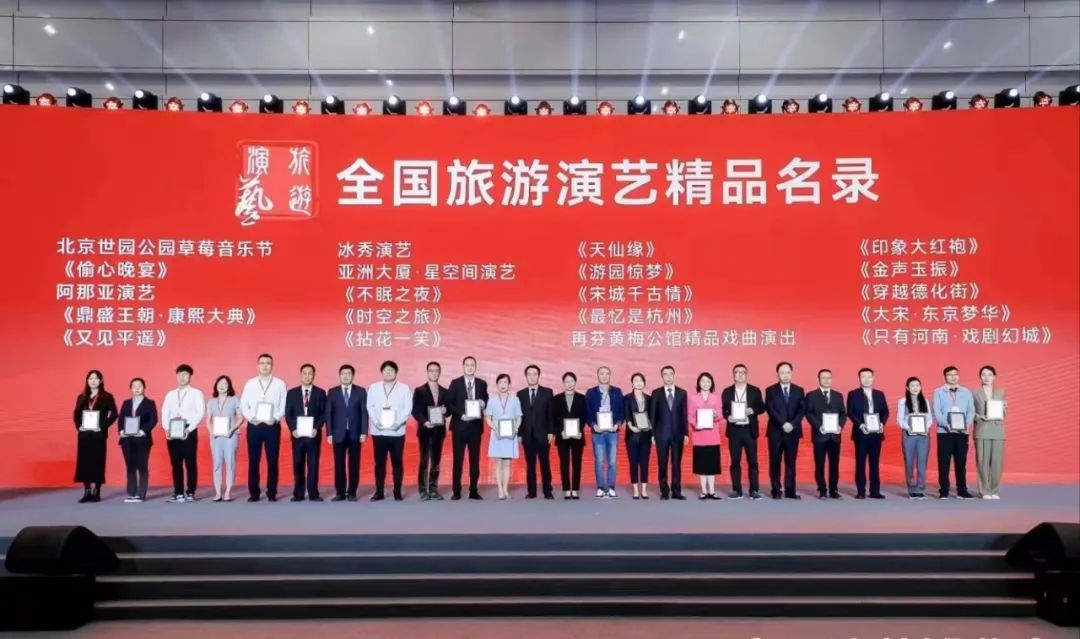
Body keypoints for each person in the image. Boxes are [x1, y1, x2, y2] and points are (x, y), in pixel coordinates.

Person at [240, 353, 287, 502]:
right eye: (262, 363)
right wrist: (251, 418)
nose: (265, 366)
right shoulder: (250, 383)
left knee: (272, 460)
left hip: (272, 426)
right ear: (257, 366)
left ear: (272, 366)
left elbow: (284, 404)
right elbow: (243, 404)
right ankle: (254, 493)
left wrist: (275, 418)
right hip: (254, 425)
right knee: (254, 460)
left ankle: (271, 492)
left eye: (268, 363)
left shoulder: (280, 383)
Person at [366, 360, 412, 501]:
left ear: (396, 372)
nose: (388, 373)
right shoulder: (374, 387)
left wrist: (398, 423)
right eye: (385, 370)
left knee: (397, 462)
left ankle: (397, 491)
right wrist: (376, 422)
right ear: (381, 372)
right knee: (379, 463)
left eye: (391, 370)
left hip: (397, 432)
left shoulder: (404, 388)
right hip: (379, 431)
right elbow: (370, 406)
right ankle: (379, 492)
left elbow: (408, 408)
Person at [721, 364, 766, 500]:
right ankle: (737, 490)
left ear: (746, 374)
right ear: (733, 375)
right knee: (735, 461)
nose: (740, 374)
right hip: (734, 431)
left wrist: (753, 410)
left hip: (749, 430)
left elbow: (762, 407)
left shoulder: (755, 390)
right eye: (737, 372)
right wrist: (727, 416)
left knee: (753, 461)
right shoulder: (727, 391)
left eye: (742, 372)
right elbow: (724, 409)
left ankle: (754, 490)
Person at [161, 364, 205, 503]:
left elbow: (200, 412)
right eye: (180, 374)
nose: (182, 377)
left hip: (188, 429)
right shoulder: (170, 394)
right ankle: (178, 492)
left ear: (190, 377)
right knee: (176, 463)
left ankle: (191, 492)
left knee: (190, 462)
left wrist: (189, 429)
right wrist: (166, 428)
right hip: (173, 429)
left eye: (185, 374)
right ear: (176, 376)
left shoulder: (196, 393)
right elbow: (164, 412)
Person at [446, 356, 489, 500]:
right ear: (463, 367)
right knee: (458, 460)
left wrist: (483, 403)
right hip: (459, 426)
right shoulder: (455, 383)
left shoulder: (482, 383)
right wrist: (461, 415)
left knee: (474, 460)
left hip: (475, 427)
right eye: (467, 365)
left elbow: (486, 399)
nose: (470, 367)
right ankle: (456, 492)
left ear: (475, 367)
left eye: (472, 365)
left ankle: (473, 491)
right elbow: (449, 403)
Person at [72, 370, 118, 503]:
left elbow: (114, 414)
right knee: (84, 462)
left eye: (96, 378)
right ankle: (87, 490)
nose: (93, 381)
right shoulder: (82, 397)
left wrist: (102, 426)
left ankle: (96, 490)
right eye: (90, 378)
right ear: (87, 381)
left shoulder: (107, 396)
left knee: (98, 462)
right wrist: (79, 426)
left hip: (99, 434)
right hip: (85, 434)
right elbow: (76, 414)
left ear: (101, 380)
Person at [285, 364, 327, 502]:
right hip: (297, 436)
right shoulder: (292, 393)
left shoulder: (320, 393)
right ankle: (298, 493)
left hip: (313, 435)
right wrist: (293, 429)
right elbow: (288, 414)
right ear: (301, 375)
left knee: (313, 465)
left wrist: (317, 428)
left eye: (310, 373)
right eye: (305, 373)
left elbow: (323, 414)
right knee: (298, 464)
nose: (307, 376)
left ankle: (313, 493)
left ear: (314, 375)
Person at [932, 366, 976, 499]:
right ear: (945, 377)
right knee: (944, 462)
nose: (953, 377)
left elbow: (971, 411)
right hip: (944, 433)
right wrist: (946, 425)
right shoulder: (938, 392)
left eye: (955, 374)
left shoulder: (966, 392)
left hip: (962, 433)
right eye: (950, 375)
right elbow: (936, 412)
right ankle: (943, 491)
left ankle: (962, 491)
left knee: (961, 462)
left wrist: (966, 424)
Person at [846, 368, 889, 499]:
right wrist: (860, 425)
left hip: (876, 434)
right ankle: (860, 491)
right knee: (860, 463)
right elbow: (850, 412)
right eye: (863, 377)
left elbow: (885, 412)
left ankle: (875, 491)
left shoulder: (879, 394)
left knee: (874, 464)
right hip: (861, 433)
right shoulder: (853, 394)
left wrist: (882, 423)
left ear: (873, 378)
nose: (866, 379)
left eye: (869, 377)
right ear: (859, 378)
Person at [326, 364, 366, 501]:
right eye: (343, 374)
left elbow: (363, 412)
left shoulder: (360, 391)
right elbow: (328, 413)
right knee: (339, 464)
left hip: (355, 433)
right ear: (339, 375)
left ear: (352, 376)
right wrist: (329, 433)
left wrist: (363, 432)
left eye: (349, 374)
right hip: (338, 433)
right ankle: (340, 492)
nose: (346, 376)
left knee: (354, 464)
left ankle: (352, 492)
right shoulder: (333, 392)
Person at [765, 362, 805, 499]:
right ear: (777, 374)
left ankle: (790, 490)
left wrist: (792, 424)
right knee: (775, 461)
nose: (785, 375)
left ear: (791, 373)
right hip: (776, 431)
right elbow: (770, 409)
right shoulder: (770, 390)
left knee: (791, 462)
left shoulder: (799, 390)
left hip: (793, 432)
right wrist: (783, 424)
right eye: (782, 372)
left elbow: (802, 410)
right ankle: (776, 490)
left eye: (787, 372)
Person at [805, 369, 846, 499]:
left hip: (835, 436)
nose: (826, 380)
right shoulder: (811, 395)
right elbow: (808, 413)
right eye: (823, 378)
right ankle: (822, 490)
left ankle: (834, 490)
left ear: (832, 379)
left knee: (834, 465)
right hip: (820, 436)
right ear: (818, 379)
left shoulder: (838, 395)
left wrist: (840, 426)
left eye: (829, 378)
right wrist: (819, 426)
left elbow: (843, 414)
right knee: (820, 464)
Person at [649, 365, 689, 500]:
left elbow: (684, 414)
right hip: (661, 434)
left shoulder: (682, 393)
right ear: (662, 376)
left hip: (678, 434)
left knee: (676, 463)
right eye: (665, 374)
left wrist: (686, 433)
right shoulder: (656, 393)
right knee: (662, 463)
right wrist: (652, 434)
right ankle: (664, 491)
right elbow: (652, 415)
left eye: (670, 374)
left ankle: (676, 491)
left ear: (674, 375)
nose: (668, 377)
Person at [585, 366, 625, 499]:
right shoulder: (591, 392)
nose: (604, 376)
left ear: (610, 375)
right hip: (598, 433)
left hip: (613, 432)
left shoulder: (617, 391)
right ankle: (601, 488)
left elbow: (622, 411)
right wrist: (593, 425)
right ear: (598, 376)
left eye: (607, 373)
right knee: (599, 461)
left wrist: (617, 424)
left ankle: (611, 487)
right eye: (601, 373)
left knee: (612, 462)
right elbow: (587, 412)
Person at [517, 364, 555, 499]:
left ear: (538, 376)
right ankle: (531, 492)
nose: (532, 377)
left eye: (535, 374)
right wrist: (519, 434)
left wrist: (551, 432)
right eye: (529, 374)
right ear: (526, 376)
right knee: (530, 465)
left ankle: (547, 491)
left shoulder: (547, 392)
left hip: (543, 434)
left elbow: (551, 414)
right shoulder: (520, 394)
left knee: (545, 464)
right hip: (527, 435)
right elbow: (519, 416)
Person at [412, 361, 449, 501]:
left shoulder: (445, 391)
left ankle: (433, 489)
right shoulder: (419, 390)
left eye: (436, 370)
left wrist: (446, 411)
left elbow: (448, 410)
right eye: (431, 370)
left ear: (440, 372)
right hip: (425, 431)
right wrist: (424, 422)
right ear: (427, 372)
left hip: (439, 431)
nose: (434, 373)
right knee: (424, 460)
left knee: (436, 462)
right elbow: (416, 410)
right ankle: (423, 490)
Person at [118, 377, 157, 503]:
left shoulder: (150, 403)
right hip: (127, 440)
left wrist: (143, 431)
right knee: (130, 466)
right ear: (131, 388)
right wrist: (121, 431)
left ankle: (141, 494)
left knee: (142, 466)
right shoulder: (126, 403)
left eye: (139, 386)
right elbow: (121, 419)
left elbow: (153, 420)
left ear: (144, 388)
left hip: (142, 439)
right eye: (134, 386)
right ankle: (132, 493)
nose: (137, 388)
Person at [485, 373, 522, 500]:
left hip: (510, 435)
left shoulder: (515, 399)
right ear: (497, 385)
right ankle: (500, 489)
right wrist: (494, 428)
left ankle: (505, 489)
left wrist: (515, 429)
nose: (503, 385)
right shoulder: (492, 400)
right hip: (497, 435)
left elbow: (519, 417)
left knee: (507, 464)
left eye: (505, 382)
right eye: (500, 382)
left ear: (509, 384)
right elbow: (488, 418)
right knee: (498, 463)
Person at [206, 375, 242, 502]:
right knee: (217, 464)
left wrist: (232, 429)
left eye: (225, 384)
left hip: (230, 436)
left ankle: (227, 492)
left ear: (229, 386)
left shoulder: (234, 400)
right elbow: (208, 420)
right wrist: (212, 432)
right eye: (219, 383)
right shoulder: (211, 402)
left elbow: (240, 417)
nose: (222, 386)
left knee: (230, 463)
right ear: (216, 386)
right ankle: (217, 492)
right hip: (215, 437)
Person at [552, 372, 588, 499]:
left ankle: (575, 489)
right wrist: (560, 431)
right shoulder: (556, 399)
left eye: (571, 381)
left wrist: (580, 430)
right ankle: (567, 489)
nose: (569, 384)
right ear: (563, 383)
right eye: (567, 381)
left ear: (575, 382)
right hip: (563, 436)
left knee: (577, 464)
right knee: (564, 464)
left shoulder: (582, 398)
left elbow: (584, 416)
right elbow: (554, 418)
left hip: (578, 436)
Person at [973, 365, 1006, 499]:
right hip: (982, 429)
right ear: (980, 377)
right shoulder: (975, 392)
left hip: (998, 430)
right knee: (982, 462)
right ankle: (985, 491)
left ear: (994, 377)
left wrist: (1004, 409)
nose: (986, 377)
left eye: (990, 374)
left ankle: (994, 490)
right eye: (983, 375)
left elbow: (1004, 413)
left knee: (997, 462)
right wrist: (980, 417)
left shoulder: (1001, 392)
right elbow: (970, 412)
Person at [896, 376, 933, 499]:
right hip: (909, 435)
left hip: (923, 436)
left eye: (917, 385)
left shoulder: (925, 401)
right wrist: (909, 428)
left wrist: (926, 427)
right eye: (912, 385)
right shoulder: (903, 401)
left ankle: (920, 488)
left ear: (921, 387)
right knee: (909, 462)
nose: (915, 388)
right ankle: (911, 489)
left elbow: (929, 419)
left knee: (922, 463)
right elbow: (900, 420)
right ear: (907, 387)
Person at [688, 372, 723, 499]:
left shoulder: (716, 397)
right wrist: (695, 424)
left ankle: (712, 491)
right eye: (703, 381)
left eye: (708, 381)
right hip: (699, 435)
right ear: (699, 383)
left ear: (712, 383)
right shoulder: (693, 398)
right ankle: (703, 491)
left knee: (712, 465)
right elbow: (689, 415)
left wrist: (716, 415)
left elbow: (721, 415)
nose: (705, 383)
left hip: (713, 436)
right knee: (702, 465)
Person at [623, 373, 653, 499]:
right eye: (636, 380)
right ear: (632, 383)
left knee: (645, 462)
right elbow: (626, 414)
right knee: (634, 463)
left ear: (644, 383)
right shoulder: (627, 398)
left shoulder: (649, 398)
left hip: (646, 435)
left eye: (641, 381)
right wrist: (631, 426)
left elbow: (652, 415)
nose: (638, 383)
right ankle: (635, 489)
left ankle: (644, 489)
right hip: (632, 435)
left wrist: (650, 425)